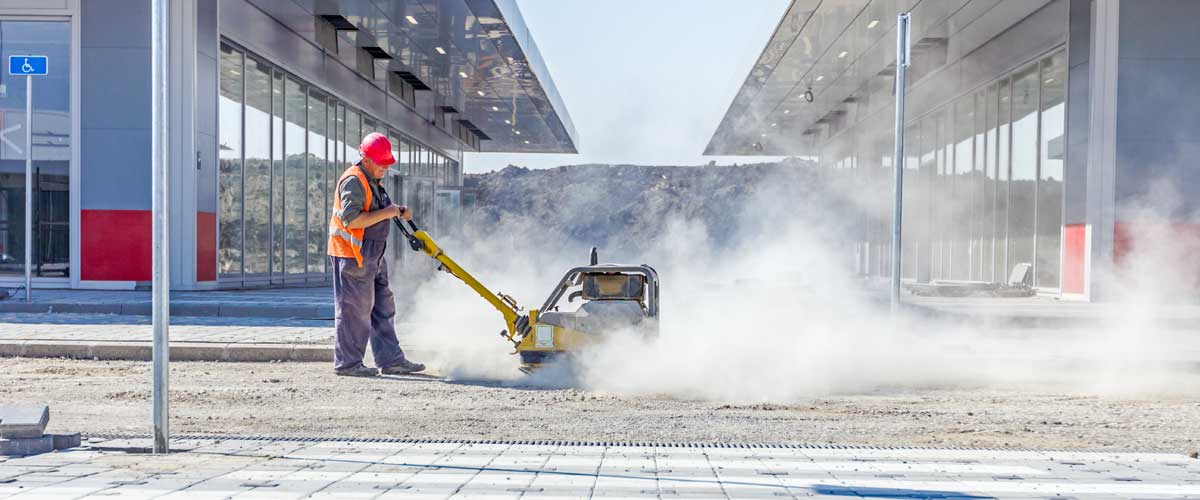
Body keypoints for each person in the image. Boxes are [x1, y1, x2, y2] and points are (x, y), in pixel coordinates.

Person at [327, 132, 425, 377]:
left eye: (387, 163)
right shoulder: (354, 180)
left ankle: (391, 360)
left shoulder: (372, 180)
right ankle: (348, 364)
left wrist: (397, 210)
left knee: (383, 307)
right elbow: (352, 220)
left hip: (373, 254)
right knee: (354, 311)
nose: (385, 167)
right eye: (381, 163)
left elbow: (376, 210)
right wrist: (389, 212)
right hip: (353, 255)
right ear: (366, 159)